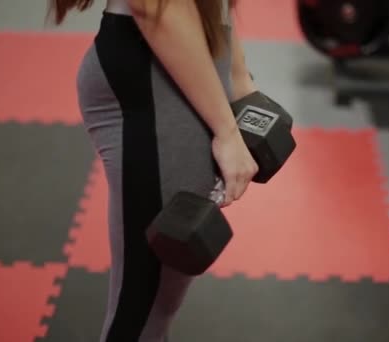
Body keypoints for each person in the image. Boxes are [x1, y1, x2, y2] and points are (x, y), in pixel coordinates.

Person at [48, 0, 259, 341]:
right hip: (155, 75)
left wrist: (239, 78)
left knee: (155, 306)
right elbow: (152, 6)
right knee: (142, 313)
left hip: (184, 58)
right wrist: (227, 131)